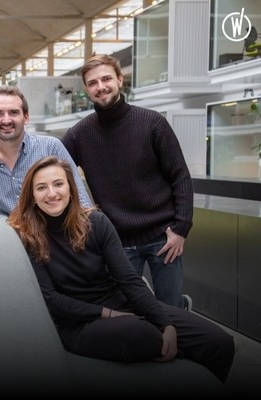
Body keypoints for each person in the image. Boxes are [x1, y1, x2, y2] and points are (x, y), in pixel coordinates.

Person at [7, 156, 235, 384]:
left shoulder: (96, 222)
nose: (52, 193)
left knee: (219, 342)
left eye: (58, 184)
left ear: (70, 189)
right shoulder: (26, 235)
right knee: (144, 334)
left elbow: (129, 280)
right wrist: (108, 314)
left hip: (120, 303)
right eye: (41, 187)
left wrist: (166, 323)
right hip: (77, 322)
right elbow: (50, 298)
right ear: (32, 196)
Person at [62, 54, 194, 310]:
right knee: (127, 310)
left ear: (120, 80)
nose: (101, 87)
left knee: (170, 307)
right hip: (117, 240)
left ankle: (179, 312)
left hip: (163, 236)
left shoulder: (152, 123)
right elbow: (52, 168)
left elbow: (180, 176)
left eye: (106, 79)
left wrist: (181, 228)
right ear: (87, 89)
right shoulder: (79, 134)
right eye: (93, 83)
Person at [0, 85, 92, 216]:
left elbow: (80, 195)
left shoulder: (51, 147)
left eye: (13, 112)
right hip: (6, 231)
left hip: (55, 229)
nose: (6, 120)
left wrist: (89, 224)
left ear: (26, 117)